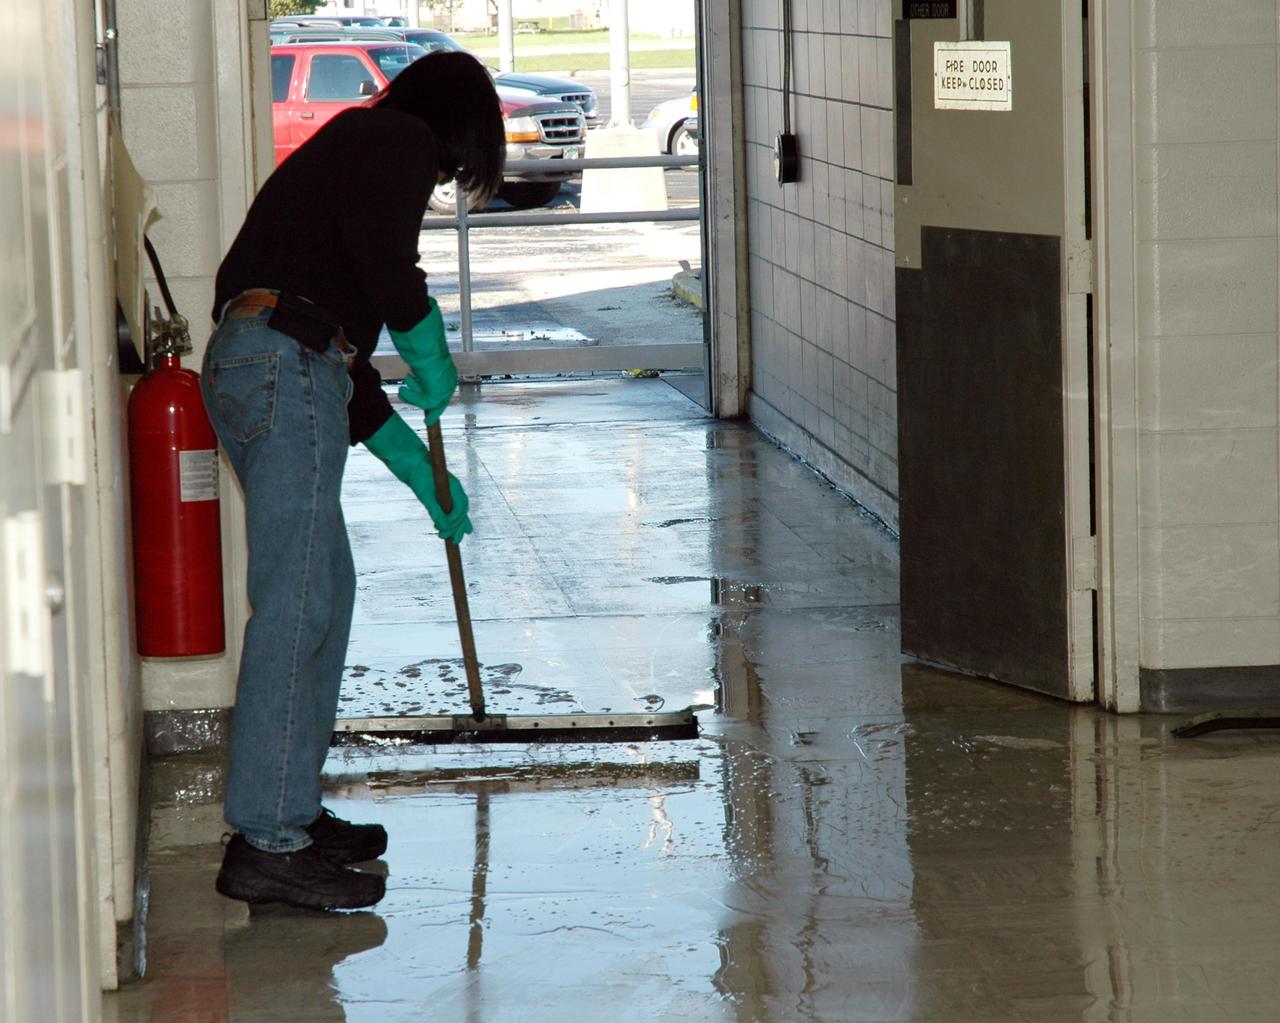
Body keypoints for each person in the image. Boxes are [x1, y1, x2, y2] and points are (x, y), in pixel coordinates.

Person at [200, 51, 505, 911]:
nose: (439, 178)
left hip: (283, 363)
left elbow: (347, 372)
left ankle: (290, 812)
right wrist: (426, 340)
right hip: (281, 363)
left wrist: (419, 471)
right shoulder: (394, 136)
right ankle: (267, 837)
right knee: (298, 600)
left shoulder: (356, 146)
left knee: (322, 589)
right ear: (451, 127)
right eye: (454, 166)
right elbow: (385, 268)